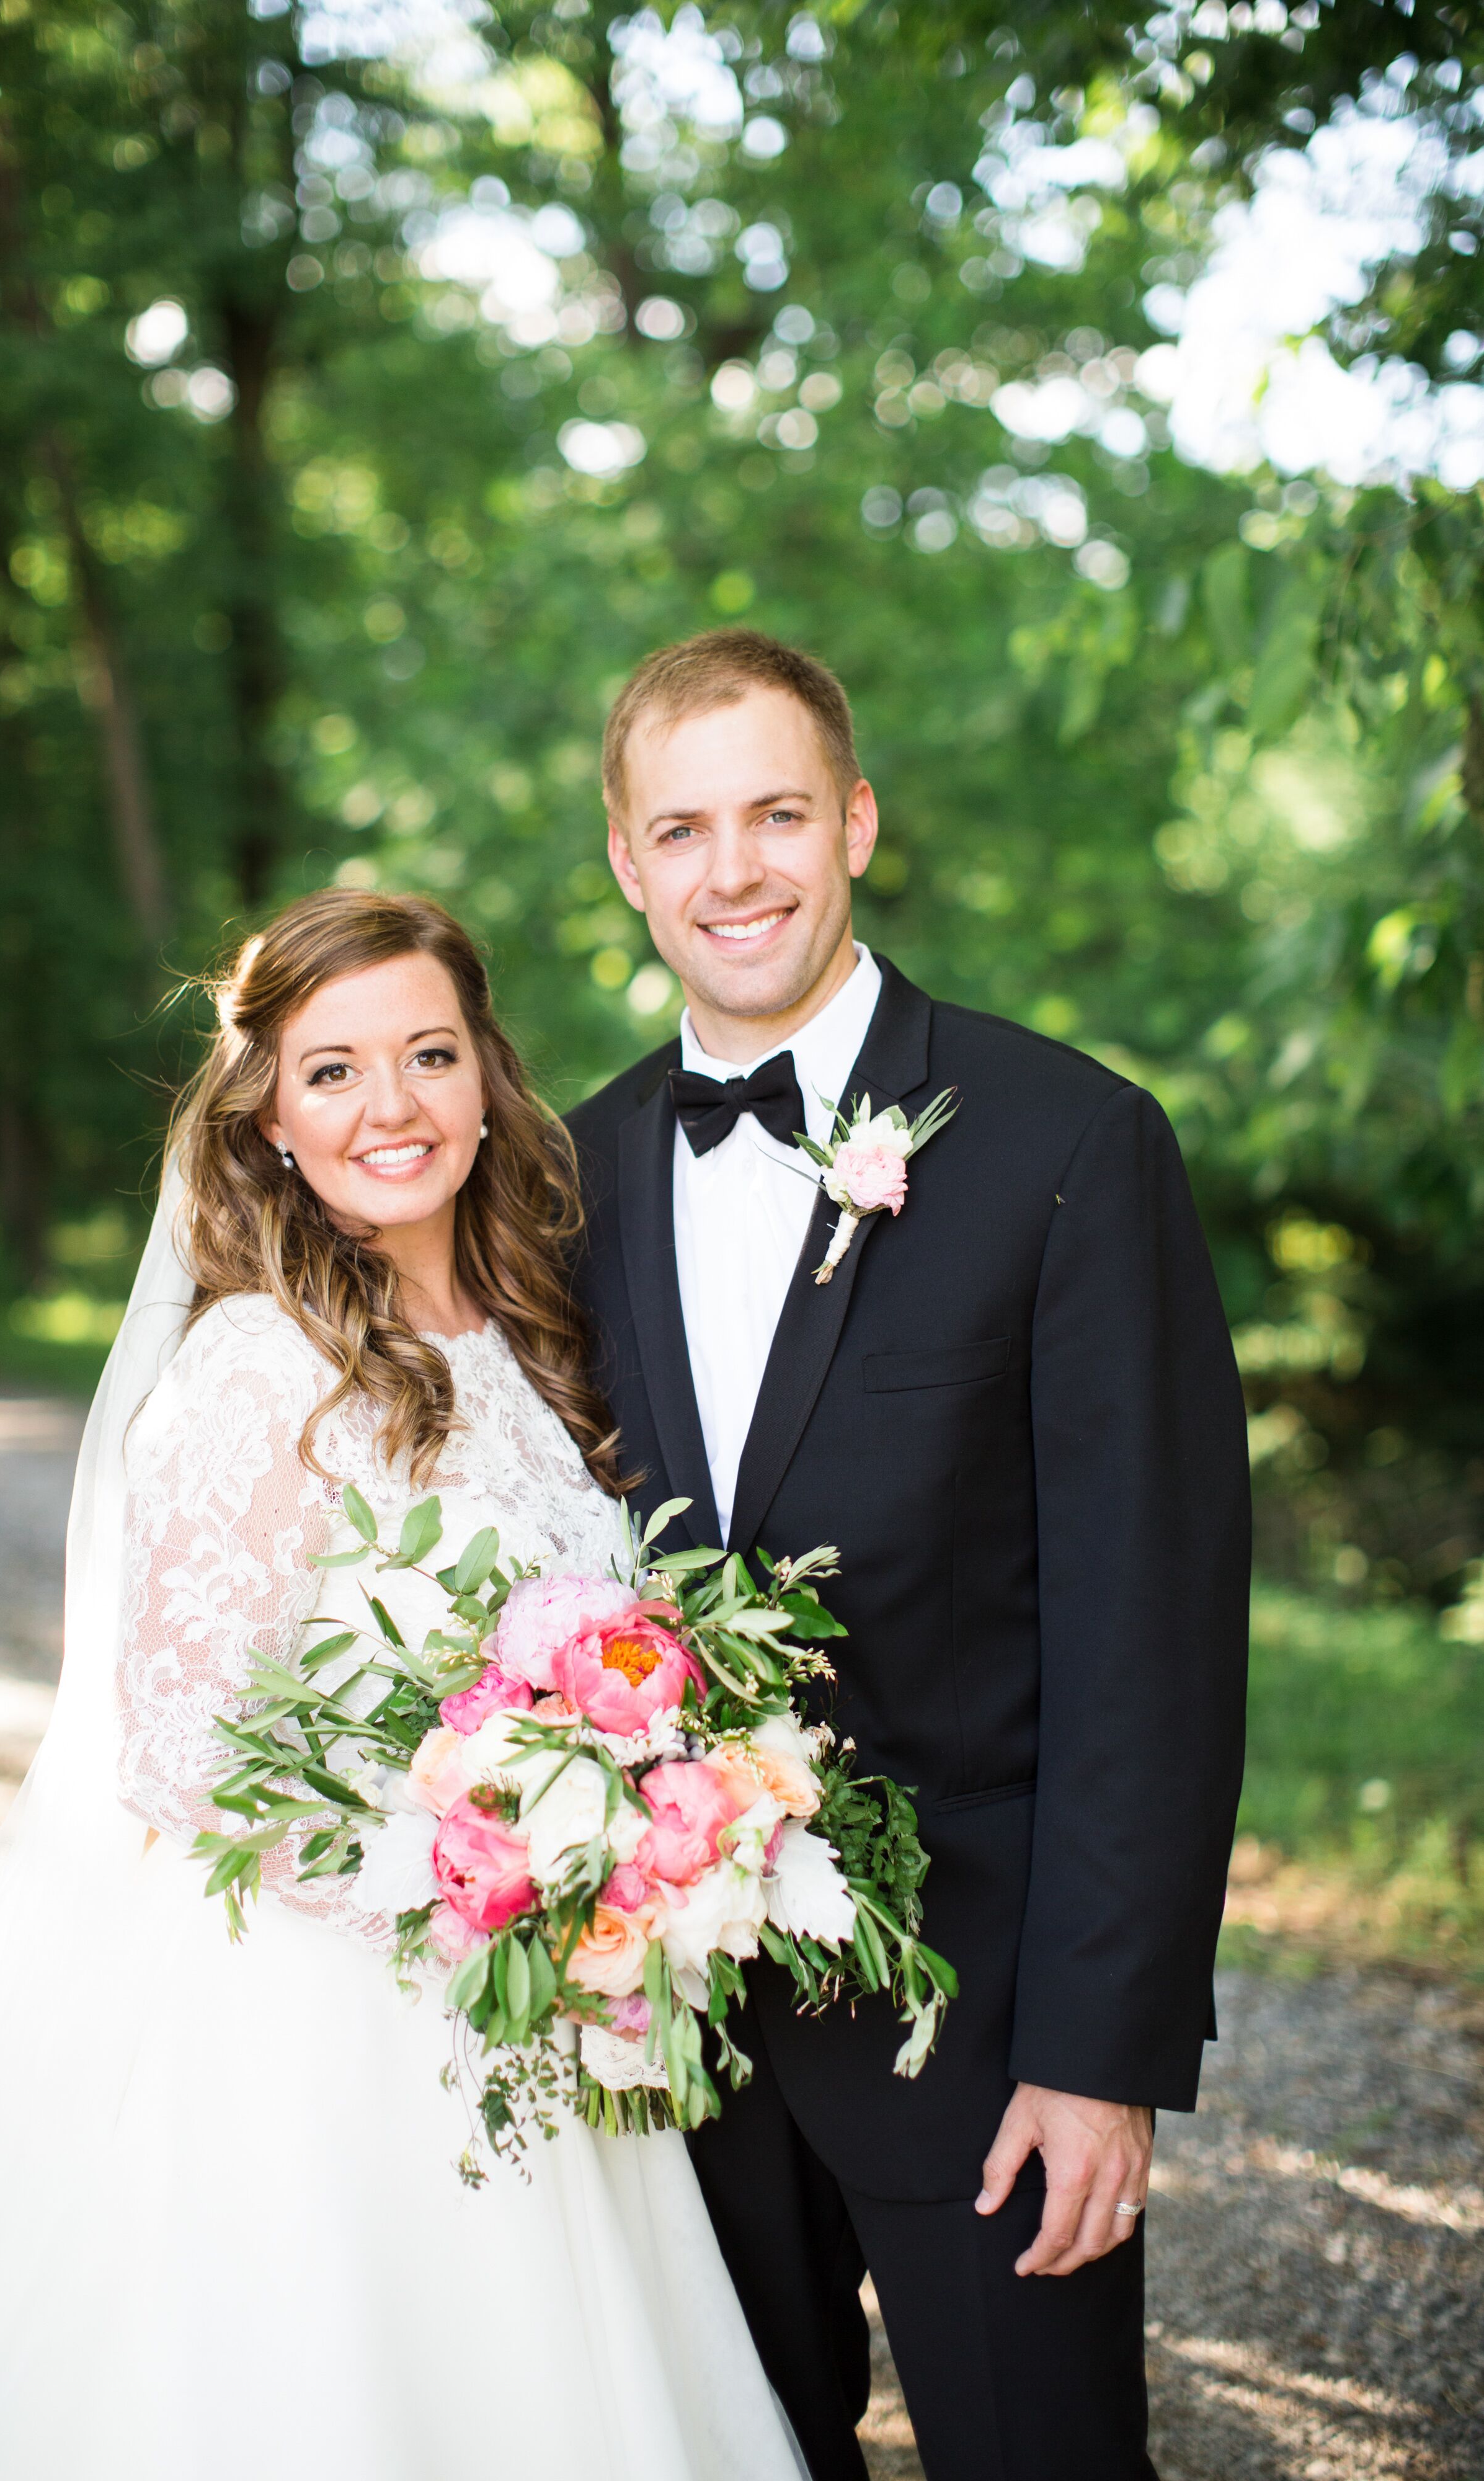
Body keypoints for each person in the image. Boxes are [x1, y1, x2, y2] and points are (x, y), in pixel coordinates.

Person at [0, 892, 807, 2481]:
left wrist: (611, 1845)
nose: (392, 1106)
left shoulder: (536, 1331)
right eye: (333, 1070)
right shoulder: (254, 1365)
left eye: (427, 1054)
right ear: (269, 1115)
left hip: (533, 2005)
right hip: (328, 2021)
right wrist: (488, 1880)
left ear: (486, 1077)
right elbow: (175, 1747)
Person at [566, 630, 1251, 2481]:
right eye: (684, 828)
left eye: (778, 813)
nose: (736, 871)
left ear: (854, 822)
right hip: (668, 2039)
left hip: (980, 2034)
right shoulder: (570, 1178)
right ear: (626, 861)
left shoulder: (1068, 1144)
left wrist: (1100, 2055)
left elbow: (1152, 1641)